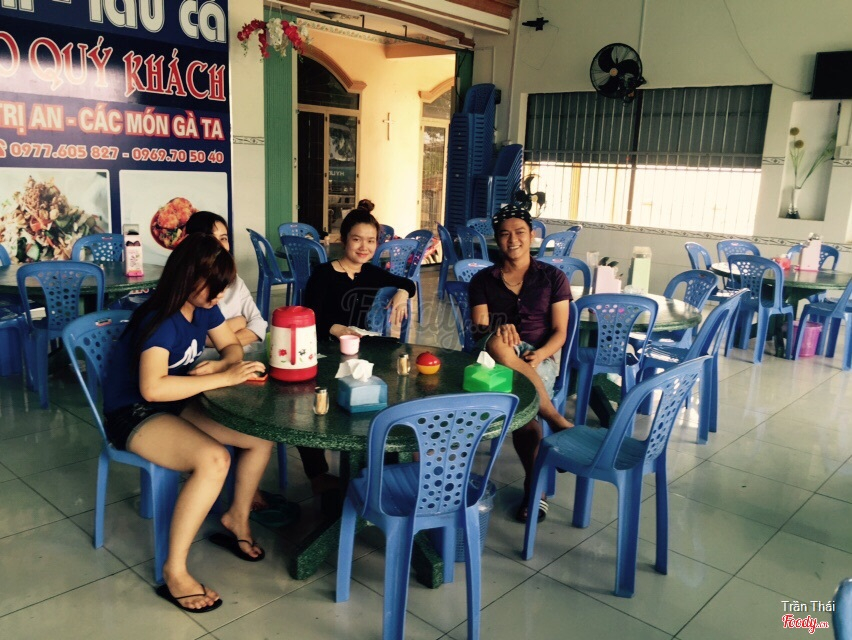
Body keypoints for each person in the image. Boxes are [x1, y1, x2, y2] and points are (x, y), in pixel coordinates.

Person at [102, 233, 272, 613]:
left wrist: (223, 364)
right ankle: (174, 571)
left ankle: (237, 517)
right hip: (133, 411)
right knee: (214, 460)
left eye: (223, 286)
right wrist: (222, 378)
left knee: (260, 436)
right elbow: (152, 388)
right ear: (187, 278)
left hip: (176, 400)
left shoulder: (204, 306)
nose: (220, 294)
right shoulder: (160, 319)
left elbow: (232, 346)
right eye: (214, 286)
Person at [469, 202, 573, 523]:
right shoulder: (483, 280)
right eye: (504, 234)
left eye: (519, 232)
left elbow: (560, 332)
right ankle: (556, 419)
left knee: (523, 413)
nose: (512, 240)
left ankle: (534, 488)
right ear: (497, 239)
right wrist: (498, 328)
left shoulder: (553, 278)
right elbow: (479, 329)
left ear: (532, 235)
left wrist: (540, 354)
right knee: (498, 342)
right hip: (495, 358)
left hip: (538, 357)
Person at [305, 206, 416, 340]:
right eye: (356, 239)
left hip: (362, 347)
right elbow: (308, 315)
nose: (364, 247)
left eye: (370, 241)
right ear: (344, 239)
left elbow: (408, 284)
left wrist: (402, 292)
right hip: (326, 346)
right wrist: (333, 328)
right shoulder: (323, 273)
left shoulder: (373, 273)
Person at [184, 211, 267, 354]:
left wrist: (218, 341)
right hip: (200, 360)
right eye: (210, 238)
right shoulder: (188, 285)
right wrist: (239, 322)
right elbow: (189, 337)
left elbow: (258, 324)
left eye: (223, 238)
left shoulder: (235, 281)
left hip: (238, 355)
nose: (218, 245)